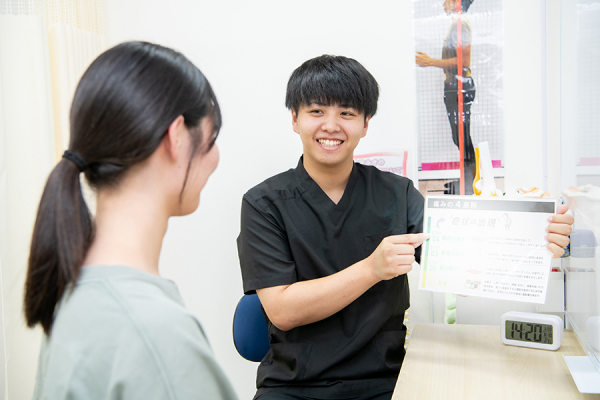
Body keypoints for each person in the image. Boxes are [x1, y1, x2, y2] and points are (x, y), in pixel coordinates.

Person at [237, 54, 573, 400]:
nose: (331, 125)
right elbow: (283, 311)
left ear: (366, 124)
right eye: (317, 111)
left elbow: (463, 271)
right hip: (295, 386)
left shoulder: (397, 193)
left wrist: (536, 243)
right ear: (295, 119)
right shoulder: (264, 204)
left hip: (386, 381)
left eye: (347, 113)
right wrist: (372, 269)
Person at [24, 41, 237, 399]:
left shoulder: (70, 298)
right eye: (211, 139)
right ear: (176, 138)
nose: (215, 158)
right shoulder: (156, 333)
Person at [416, 0, 476, 194]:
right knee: (460, 137)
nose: (443, 3)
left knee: (462, 137)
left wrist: (429, 61)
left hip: (459, 87)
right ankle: (466, 181)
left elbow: (463, 61)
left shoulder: (461, 24)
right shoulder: (457, 24)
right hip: (455, 86)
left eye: (447, 0)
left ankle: (470, 185)